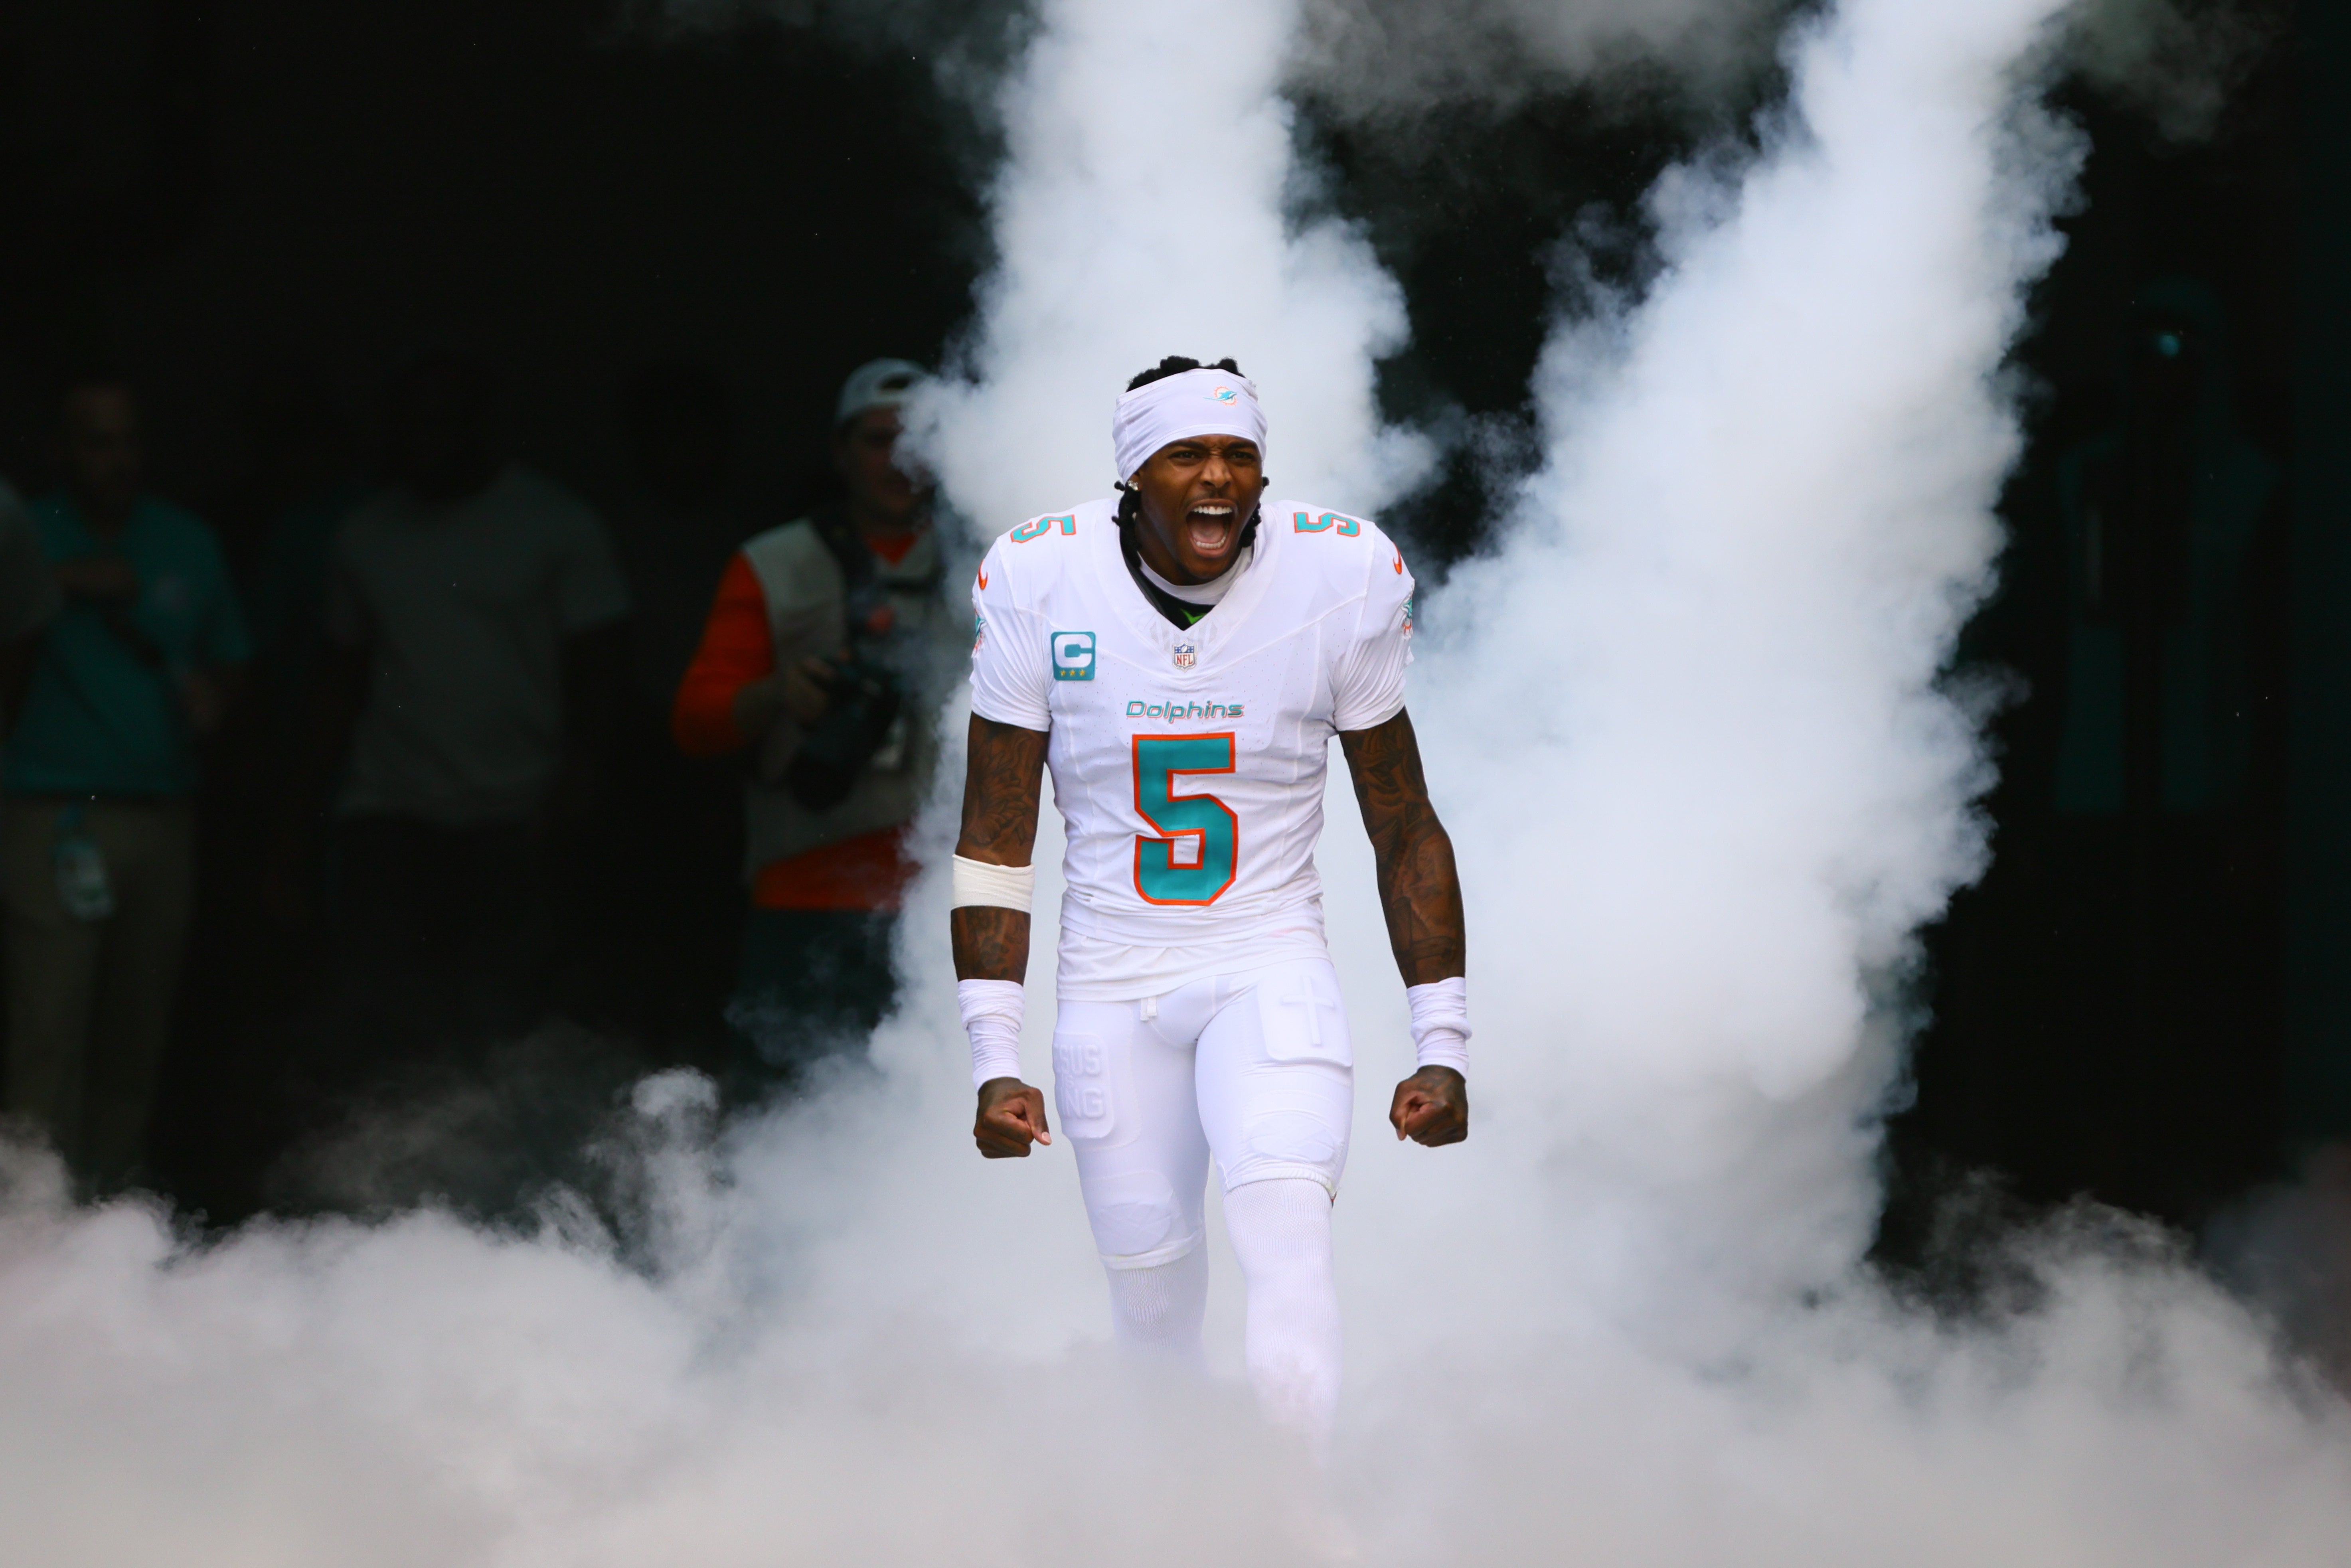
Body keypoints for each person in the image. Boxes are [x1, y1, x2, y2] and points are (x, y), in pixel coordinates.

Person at [951, 355, 1472, 1445]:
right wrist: (992, 1058)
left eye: (1239, 455)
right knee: (1151, 1299)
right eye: (1188, 453)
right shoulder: (1041, 578)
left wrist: (1444, 1041)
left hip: (1266, 956)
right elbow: (998, 836)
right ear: (1133, 474)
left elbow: (1402, 821)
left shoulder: (1339, 573)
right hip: (1111, 978)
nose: (1218, 478)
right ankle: (1177, 1525)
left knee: (1286, 1233)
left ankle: (1292, 1522)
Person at [282, 352, 630, 1092]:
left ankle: (494, 1193)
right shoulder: (365, 534)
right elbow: (340, 678)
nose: (419, 440)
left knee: (501, 1025)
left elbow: (602, 667)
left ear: (476, 427)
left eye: (437, 423)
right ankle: (387, 1190)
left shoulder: (554, 523)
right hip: (389, 814)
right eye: (406, 424)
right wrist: (304, 816)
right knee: (384, 1023)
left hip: (512, 815)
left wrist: (576, 787)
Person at [673, 359, 957, 1091]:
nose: (899, 458)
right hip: (805, 894)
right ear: (839, 450)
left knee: (946, 1124)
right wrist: (779, 696)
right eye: (876, 439)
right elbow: (695, 723)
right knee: (782, 1119)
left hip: (950, 901)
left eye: (917, 437)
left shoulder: (1002, 559)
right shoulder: (774, 564)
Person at [2, 377, 250, 1187]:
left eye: (130, 441)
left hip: (161, 815)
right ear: (61, 450)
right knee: (47, 1033)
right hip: (54, 812)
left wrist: (218, 695)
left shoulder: (186, 541)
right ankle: (32, 1233)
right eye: (98, 442)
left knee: (136, 1037)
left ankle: (112, 1233)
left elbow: (232, 658)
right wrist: (68, 580)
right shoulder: (24, 531)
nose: (118, 460)